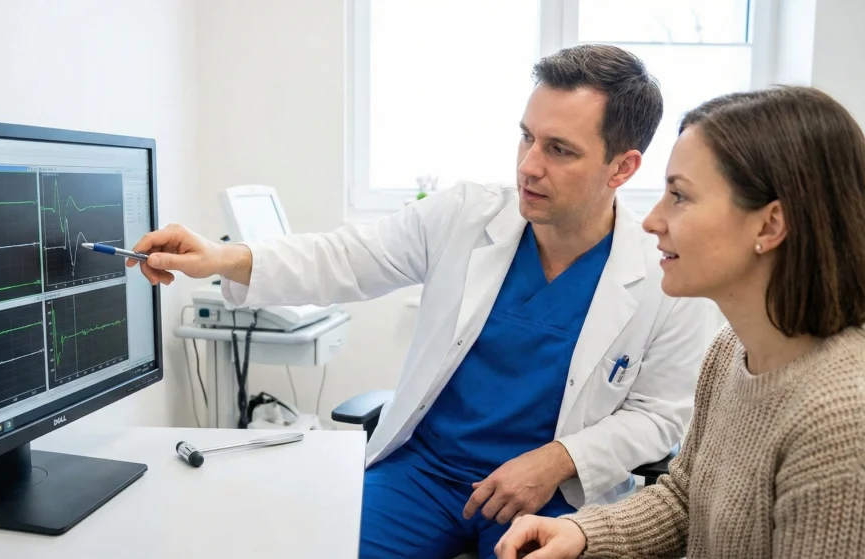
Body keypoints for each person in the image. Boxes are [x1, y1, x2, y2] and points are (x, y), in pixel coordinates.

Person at [131, 45, 708, 558]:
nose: (529, 165)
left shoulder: (664, 273)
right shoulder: (465, 214)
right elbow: (346, 257)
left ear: (623, 167)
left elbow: (661, 415)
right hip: (425, 475)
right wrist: (220, 257)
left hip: (548, 493)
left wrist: (558, 460)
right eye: (526, 136)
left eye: (560, 149)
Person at [494, 85, 865, 559]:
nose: (651, 221)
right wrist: (585, 533)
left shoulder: (840, 422)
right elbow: (686, 496)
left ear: (770, 226)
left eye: (680, 196)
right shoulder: (731, 350)